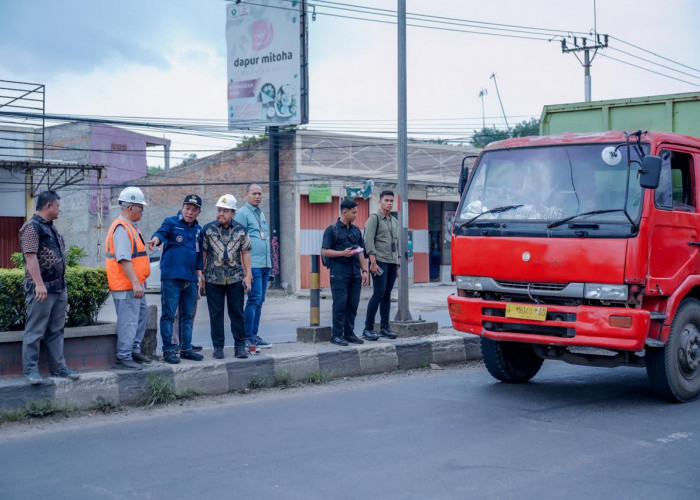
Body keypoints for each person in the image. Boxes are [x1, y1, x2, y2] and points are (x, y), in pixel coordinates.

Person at [18, 190, 79, 384]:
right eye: (58, 206)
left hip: (58, 288)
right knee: (35, 330)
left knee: (56, 330)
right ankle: (30, 370)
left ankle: (59, 368)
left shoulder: (51, 228)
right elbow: (30, 256)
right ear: (49, 206)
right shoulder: (32, 227)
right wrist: (39, 284)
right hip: (42, 289)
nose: (60, 210)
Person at [148, 194, 205, 364]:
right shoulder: (171, 222)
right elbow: (160, 234)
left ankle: (186, 348)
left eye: (194, 210)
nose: (190, 212)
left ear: (198, 212)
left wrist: (200, 277)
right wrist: (155, 240)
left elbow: (200, 255)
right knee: (169, 314)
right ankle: (168, 350)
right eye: (187, 208)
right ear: (182, 208)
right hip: (172, 278)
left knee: (187, 316)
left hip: (191, 279)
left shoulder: (198, 230)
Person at [105, 186, 152, 370]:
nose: (143, 210)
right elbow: (123, 259)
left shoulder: (131, 227)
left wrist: (139, 279)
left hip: (134, 284)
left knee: (140, 317)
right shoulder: (121, 228)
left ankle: (133, 350)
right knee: (128, 321)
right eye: (141, 206)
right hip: (126, 286)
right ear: (130, 207)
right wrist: (134, 282)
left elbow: (135, 257)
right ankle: (123, 356)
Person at [202, 194, 252, 359]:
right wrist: (201, 275)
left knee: (237, 313)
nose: (221, 213)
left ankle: (240, 346)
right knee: (215, 313)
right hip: (213, 279)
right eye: (219, 210)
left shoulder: (241, 230)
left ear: (233, 213)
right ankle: (218, 347)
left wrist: (248, 275)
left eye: (225, 210)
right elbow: (203, 253)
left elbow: (245, 253)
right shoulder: (208, 229)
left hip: (235, 278)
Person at [321, 198, 370, 346]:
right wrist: (342, 253)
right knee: (340, 304)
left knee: (353, 304)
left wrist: (365, 270)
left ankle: (349, 333)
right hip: (339, 272)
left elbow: (360, 251)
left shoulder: (356, 230)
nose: (356, 215)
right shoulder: (332, 230)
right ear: (344, 212)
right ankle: (336, 335)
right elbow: (325, 251)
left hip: (355, 272)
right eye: (353, 212)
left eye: (356, 212)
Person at [234, 183, 272, 349]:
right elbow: (238, 241)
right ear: (246, 195)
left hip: (265, 264)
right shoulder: (242, 213)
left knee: (260, 301)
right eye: (254, 193)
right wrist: (245, 269)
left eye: (259, 194)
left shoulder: (261, 213)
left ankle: (254, 335)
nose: (257, 196)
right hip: (253, 265)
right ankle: (247, 336)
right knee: (254, 299)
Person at [362, 190, 399, 340]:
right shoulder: (374, 218)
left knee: (387, 295)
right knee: (378, 293)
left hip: (391, 262)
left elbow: (396, 243)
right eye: (386, 200)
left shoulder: (394, 221)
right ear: (380, 201)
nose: (389, 203)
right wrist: (373, 262)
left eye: (391, 201)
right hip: (379, 261)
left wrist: (397, 264)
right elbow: (368, 240)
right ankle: (368, 328)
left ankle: (385, 328)